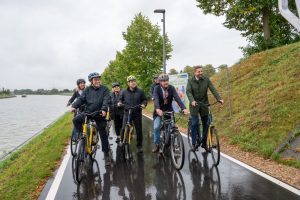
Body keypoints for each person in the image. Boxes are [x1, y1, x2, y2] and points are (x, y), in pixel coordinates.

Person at [70, 72, 111, 166]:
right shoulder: (87, 90)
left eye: (98, 79)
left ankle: (106, 154)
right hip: (88, 113)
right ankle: (84, 135)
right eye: (95, 79)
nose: (97, 81)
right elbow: (81, 99)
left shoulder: (104, 89)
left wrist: (104, 109)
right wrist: (74, 106)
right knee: (75, 120)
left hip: (99, 113)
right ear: (91, 81)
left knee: (103, 134)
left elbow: (106, 100)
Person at [186, 66, 224, 151]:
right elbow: (188, 92)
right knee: (195, 123)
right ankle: (194, 143)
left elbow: (213, 89)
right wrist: (192, 101)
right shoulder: (190, 81)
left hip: (204, 104)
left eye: (201, 71)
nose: (200, 73)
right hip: (194, 105)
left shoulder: (206, 79)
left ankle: (204, 143)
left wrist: (219, 98)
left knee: (207, 124)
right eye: (198, 72)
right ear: (195, 73)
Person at [151, 74, 188, 153]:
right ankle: (157, 144)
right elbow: (156, 99)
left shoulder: (171, 88)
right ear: (160, 82)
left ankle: (171, 142)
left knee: (171, 127)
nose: (165, 82)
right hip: (159, 111)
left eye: (166, 80)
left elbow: (177, 98)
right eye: (163, 81)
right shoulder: (156, 88)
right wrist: (157, 109)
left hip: (168, 111)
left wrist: (184, 108)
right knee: (156, 127)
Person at [118, 75, 147, 153]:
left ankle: (139, 145)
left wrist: (144, 104)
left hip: (137, 112)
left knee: (139, 130)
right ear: (128, 83)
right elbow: (120, 99)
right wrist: (119, 103)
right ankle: (121, 140)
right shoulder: (124, 92)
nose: (133, 83)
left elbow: (144, 100)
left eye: (134, 81)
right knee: (123, 127)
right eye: (131, 81)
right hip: (127, 112)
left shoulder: (140, 91)